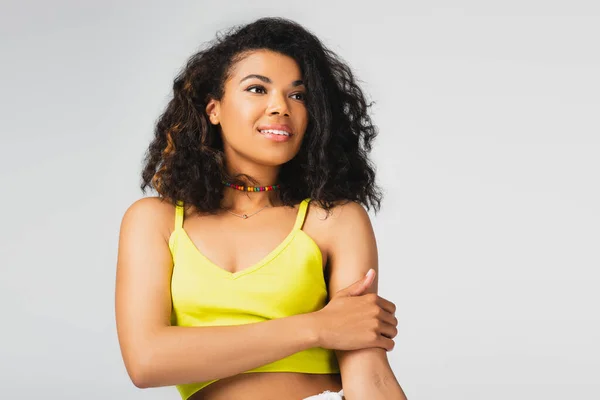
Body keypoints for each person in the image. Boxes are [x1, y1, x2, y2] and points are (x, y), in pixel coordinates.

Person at [115, 16, 408, 400]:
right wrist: (318, 328)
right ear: (213, 109)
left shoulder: (333, 219)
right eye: (257, 88)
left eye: (298, 95)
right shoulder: (156, 221)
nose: (280, 107)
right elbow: (147, 360)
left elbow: (368, 376)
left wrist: (338, 328)